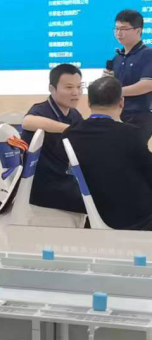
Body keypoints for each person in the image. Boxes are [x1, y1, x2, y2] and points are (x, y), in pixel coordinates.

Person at [65, 75, 152, 230]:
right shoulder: (131, 134)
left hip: (89, 211)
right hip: (135, 218)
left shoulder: (70, 134)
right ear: (121, 102)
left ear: (89, 102)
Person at [20, 63, 85, 214]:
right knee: (100, 200)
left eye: (79, 87)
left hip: (66, 179)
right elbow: (27, 122)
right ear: (52, 89)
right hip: (43, 186)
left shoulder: (74, 114)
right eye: (69, 87)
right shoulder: (41, 110)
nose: (76, 92)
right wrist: (69, 130)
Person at [109, 9, 152, 139]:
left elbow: (147, 84)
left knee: (133, 149)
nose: (118, 33)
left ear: (138, 30)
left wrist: (115, 92)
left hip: (139, 115)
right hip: (117, 114)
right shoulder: (117, 58)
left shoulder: (148, 54)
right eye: (116, 28)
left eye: (124, 29)